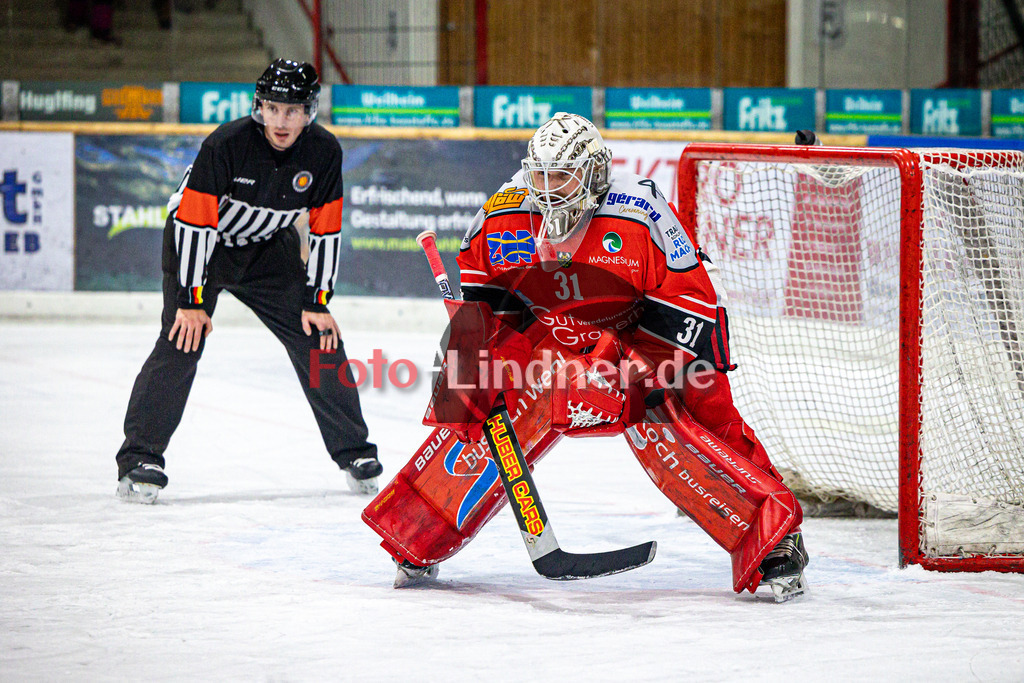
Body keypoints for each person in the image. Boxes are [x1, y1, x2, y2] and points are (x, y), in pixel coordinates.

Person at [364, 113, 808, 601]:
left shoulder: (639, 213)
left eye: (562, 177)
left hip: (639, 338)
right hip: (552, 339)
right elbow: (486, 302)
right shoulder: (503, 215)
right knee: (478, 412)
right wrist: (473, 360)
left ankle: (774, 539)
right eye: (541, 175)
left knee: (696, 419)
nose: (549, 190)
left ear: (594, 174)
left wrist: (630, 367)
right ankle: (419, 530)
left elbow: (689, 307)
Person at [115, 58, 380, 504]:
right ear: (259, 106)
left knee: (319, 338)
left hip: (266, 248)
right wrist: (191, 299)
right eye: (273, 108)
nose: (282, 120)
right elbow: (195, 222)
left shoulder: (324, 152)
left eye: (293, 110)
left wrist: (318, 299)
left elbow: (327, 229)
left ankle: (355, 452)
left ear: (310, 110)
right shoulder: (227, 144)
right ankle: (139, 459)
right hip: (202, 244)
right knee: (183, 338)